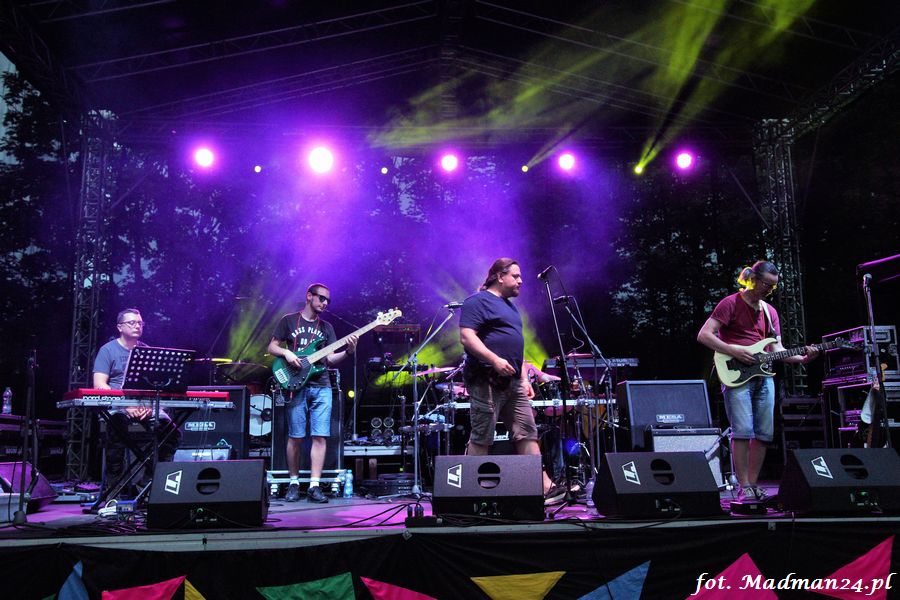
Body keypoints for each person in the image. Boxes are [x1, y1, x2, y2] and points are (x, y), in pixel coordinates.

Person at [697, 261, 819, 502]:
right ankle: (743, 486)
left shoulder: (769, 312)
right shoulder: (730, 303)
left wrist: (803, 358)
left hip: (764, 376)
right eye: (766, 285)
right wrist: (733, 350)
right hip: (736, 374)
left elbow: (777, 349)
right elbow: (704, 335)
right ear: (752, 279)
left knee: (764, 433)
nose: (770, 290)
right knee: (742, 430)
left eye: (773, 287)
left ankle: (753, 484)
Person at [459, 258, 564, 505]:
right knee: (482, 434)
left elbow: (516, 346)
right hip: (486, 378)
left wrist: (524, 378)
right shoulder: (477, 301)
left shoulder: (510, 307)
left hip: (514, 382)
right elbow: (466, 337)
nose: (520, 281)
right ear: (499, 276)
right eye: (515, 276)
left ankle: (545, 487)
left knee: (527, 432)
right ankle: (468, 492)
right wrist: (494, 360)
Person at [268, 284, 358, 503]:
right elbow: (272, 347)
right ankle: (294, 483)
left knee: (320, 435)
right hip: (296, 384)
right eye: (322, 298)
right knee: (295, 436)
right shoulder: (289, 320)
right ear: (309, 296)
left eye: (328, 300)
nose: (325, 303)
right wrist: (287, 353)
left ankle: (314, 485)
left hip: (322, 385)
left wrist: (349, 351)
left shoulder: (327, 327)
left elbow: (330, 359)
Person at [93, 308, 182, 497]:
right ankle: (116, 491)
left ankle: (146, 486)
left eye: (140, 323)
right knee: (115, 428)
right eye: (132, 322)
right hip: (118, 406)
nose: (137, 326)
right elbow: (99, 384)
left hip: (146, 406)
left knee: (172, 434)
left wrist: (148, 407)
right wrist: (126, 405)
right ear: (120, 327)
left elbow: (154, 385)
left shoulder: (146, 351)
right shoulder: (107, 350)